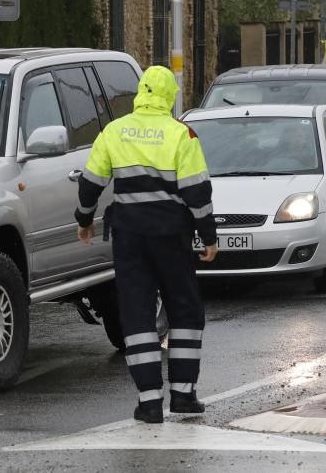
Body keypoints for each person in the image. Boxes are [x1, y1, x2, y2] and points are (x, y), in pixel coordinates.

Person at [74, 65, 218, 424]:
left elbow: (91, 181)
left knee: (137, 313)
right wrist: (209, 235)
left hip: (130, 237)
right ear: (169, 97)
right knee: (184, 311)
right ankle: (183, 395)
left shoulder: (114, 131)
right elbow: (197, 192)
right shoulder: (181, 135)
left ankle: (149, 402)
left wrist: (84, 219)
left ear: (140, 93)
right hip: (172, 236)